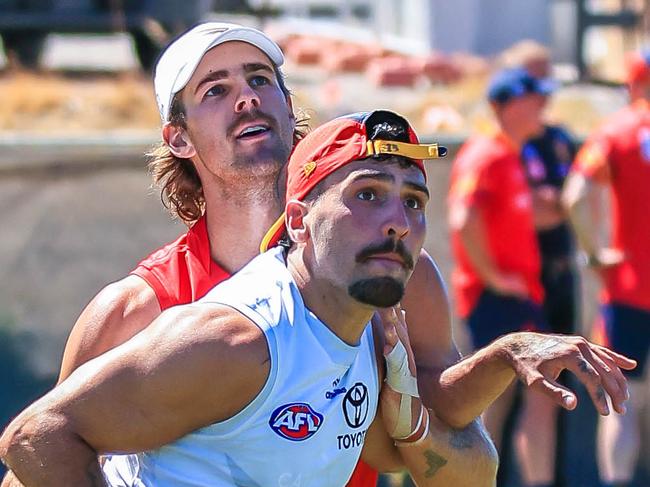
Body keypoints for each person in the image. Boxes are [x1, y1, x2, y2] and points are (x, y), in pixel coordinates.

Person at [1, 22, 634, 487]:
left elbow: (454, 458)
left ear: (287, 105)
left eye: (260, 80)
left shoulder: (384, 277)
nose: (247, 96)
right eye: (215, 89)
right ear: (178, 136)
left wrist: (500, 357)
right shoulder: (141, 311)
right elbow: (35, 452)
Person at [0, 109, 456, 485]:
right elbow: (36, 436)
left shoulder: (365, 327)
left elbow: (409, 459)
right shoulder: (239, 339)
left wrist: (504, 357)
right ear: (297, 222)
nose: (398, 220)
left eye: (414, 201)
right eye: (368, 194)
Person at [448, 67, 572, 487]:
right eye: (533, 98)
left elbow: (514, 217)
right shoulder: (489, 154)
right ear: (506, 105)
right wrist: (495, 278)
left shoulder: (510, 154)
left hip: (518, 298)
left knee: (531, 400)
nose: (543, 106)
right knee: (508, 402)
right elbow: (463, 220)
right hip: (497, 300)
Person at [563, 49, 650, 487]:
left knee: (621, 403)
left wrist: (595, 253)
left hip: (630, 290)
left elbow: (575, 195)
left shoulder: (617, 131)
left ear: (633, 86)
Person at [500, 41, 580, 486]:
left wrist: (559, 204)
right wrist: (556, 204)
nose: (543, 93)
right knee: (506, 399)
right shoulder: (502, 145)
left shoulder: (558, 139)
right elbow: (532, 209)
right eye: (533, 83)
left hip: (559, 280)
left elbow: (572, 201)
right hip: (517, 287)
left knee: (555, 396)